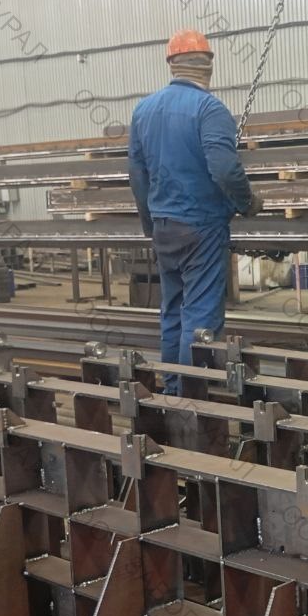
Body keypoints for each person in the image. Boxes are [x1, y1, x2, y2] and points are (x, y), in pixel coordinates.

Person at [128, 29, 261, 394]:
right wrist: (247, 202)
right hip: (202, 228)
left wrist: (150, 225)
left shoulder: (144, 110)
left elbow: (137, 174)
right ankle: (193, 401)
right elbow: (224, 169)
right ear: (208, 66)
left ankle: (173, 390)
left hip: (165, 227)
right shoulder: (209, 109)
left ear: (172, 64)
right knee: (200, 317)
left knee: (173, 311)